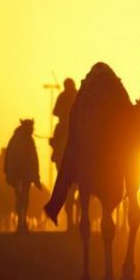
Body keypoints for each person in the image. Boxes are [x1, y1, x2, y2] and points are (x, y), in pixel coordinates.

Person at [50, 78, 78, 232]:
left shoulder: (67, 95)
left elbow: (55, 112)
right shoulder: (78, 94)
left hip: (73, 125)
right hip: (71, 126)